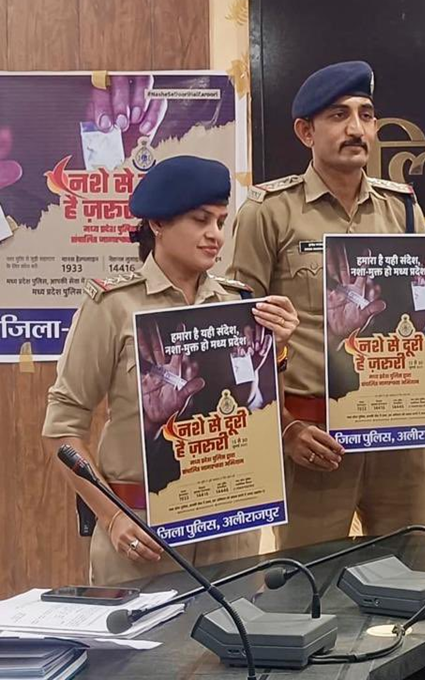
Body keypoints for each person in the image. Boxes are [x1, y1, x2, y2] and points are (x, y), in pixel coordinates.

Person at [229, 61, 425, 549]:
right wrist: (284, 430)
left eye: (366, 114)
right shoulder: (268, 212)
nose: (356, 129)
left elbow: (416, 315)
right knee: (309, 582)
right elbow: (239, 337)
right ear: (306, 132)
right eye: (339, 115)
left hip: (398, 435)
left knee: (414, 573)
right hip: (313, 437)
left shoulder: (402, 207)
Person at [41, 155, 299, 584]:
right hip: (142, 530)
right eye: (200, 220)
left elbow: (262, 417)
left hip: (231, 525)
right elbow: (61, 428)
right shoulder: (113, 306)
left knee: (237, 628)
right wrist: (111, 517)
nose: (215, 235)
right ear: (158, 223)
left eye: (220, 222)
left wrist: (279, 351)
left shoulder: (240, 305)